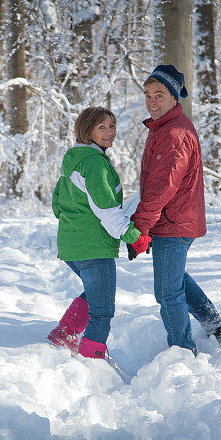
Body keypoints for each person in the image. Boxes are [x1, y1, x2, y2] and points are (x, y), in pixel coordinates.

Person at [130, 64, 221, 354]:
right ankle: (217, 327)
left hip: (172, 221)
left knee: (166, 291)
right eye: (148, 94)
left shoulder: (173, 133)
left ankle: (182, 352)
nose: (152, 101)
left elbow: (162, 187)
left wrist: (140, 226)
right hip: (172, 220)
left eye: (159, 95)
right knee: (174, 280)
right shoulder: (166, 127)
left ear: (175, 98)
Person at [48, 107, 152, 359]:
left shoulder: (74, 160)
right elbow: (107, 212)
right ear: (87, 131)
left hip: (72, 246)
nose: (110, 132)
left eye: (112, 126)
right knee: (102, 310)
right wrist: (133, 237)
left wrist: (77, 221)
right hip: (92, 248)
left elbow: (56, 205)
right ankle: (91, 358)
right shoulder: (95, 164)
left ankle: (64, 333)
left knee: (96, 294)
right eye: (101, 127)